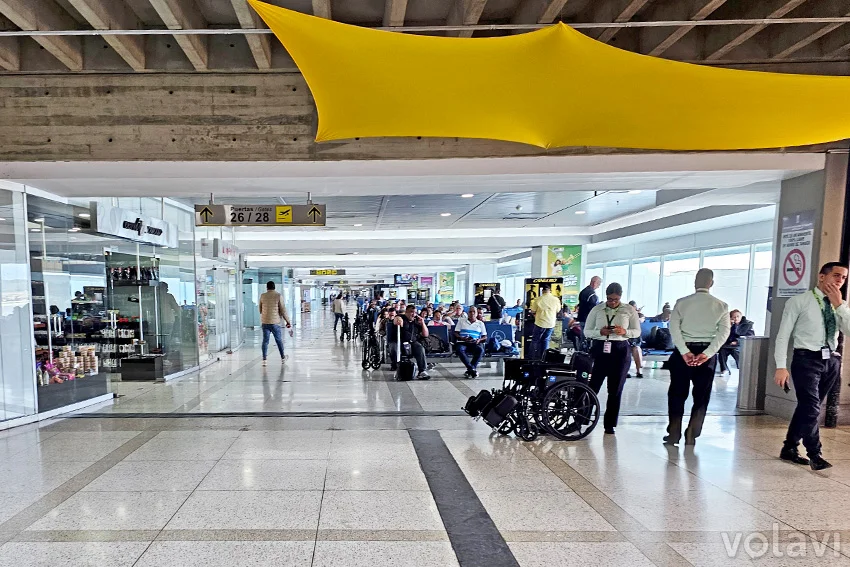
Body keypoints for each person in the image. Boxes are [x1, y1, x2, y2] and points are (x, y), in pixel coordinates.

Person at [774, 262, 850, 471]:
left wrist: (840, 306)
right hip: (806, 359)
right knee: (812, 407)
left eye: (843, 278)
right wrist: (781, 366)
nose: (839, 281)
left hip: (831, 360)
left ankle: (789, 447)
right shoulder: (799, 301)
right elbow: (783, 336)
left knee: (807, 407)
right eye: (836, 275)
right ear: (821, 277)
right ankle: (815, 454)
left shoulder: (838, 305)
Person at [664, 269, 730, 447]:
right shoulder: (721, 306)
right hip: (706, 355)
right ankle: (692, 434)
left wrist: (685, 351)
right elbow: (724, 333)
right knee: (701, 396)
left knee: (677, 394)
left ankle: (674, 433)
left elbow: (674, 330)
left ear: (695, 282)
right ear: (712, 283)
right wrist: (707, 354)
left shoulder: (681, 303)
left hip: (682, 353)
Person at [585, 283, 642, 434]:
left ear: (621, 297)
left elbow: (636, 331)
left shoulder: (629, 310)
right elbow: (587, 331)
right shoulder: (597, 309)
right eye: (610, 299)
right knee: (593, 386)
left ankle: (609, 424)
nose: (612, 302)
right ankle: (583, 417)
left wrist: (624, 331)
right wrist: (600, 332)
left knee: (615, 389)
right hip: (600, 348)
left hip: (620, 350)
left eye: (615, 300)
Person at [392, 304, 431, 379]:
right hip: (400, 342)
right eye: (411, 312)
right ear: (406, 312)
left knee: (420, 348)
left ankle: (422, 371)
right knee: (395, 349)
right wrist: (398, 319)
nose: (413, 314)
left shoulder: (416, 321)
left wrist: (422, 323)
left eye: (415, 312)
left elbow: (425, 334)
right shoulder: (401, 317)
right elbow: (396, 319)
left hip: (412, 342)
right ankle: (397, 368)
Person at [259, 281, 293, 366]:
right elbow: (283, 310)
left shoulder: (263, 296)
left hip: (265, 322)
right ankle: (282, 358)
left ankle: (264, 360)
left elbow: (260, 309)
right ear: (274, 287)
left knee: (265, 341)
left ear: (267, 287)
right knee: (278, 340)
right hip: (275, 323)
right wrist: (288, 321)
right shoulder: (278, 295)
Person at [717, 310, 754, 375]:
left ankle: (741, 368)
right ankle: (724, 369)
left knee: (736, 351)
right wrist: (730, 326)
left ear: (741, 316)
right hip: (728, 345)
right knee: (722, 350)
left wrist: (737, 341)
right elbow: (724, 335)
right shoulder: (728, 325)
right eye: (734, 317)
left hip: (740, 345)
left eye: (737, 316)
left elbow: (749, 336)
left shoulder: (748, 325)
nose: (736, 318)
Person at [529, 283, 561, 359]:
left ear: (542, 291)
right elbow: (558, 310)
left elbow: (533, 311)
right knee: (546, 340)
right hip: (551, 323)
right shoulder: (556, 299)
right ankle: (543, 357)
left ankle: (532, 357)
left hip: (540, 322)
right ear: (550, 291)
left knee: (535, 340)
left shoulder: (538, 299)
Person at [455, 305, 487, 378]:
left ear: (476, 313)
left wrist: (479, 340)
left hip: (474, 343)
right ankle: (472, 369)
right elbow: (456, 333)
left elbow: (484, 336)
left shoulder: (480, 323)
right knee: (460, 349)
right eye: (470, 312)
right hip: (463, 342)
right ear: (467, 313)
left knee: (480, 350)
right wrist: (462, 338)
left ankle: (470, 369)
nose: (472, 313)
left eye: (474, 312)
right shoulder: (461, 321)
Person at [628, 300, 646, 378]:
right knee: (625, 349)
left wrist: (635, 314)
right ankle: (625, 370)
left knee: (637, 349)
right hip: (626, 338)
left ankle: (639, 370)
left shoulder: (640, 315)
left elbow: (640, 320)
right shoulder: (625, 315)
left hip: (635, 338)